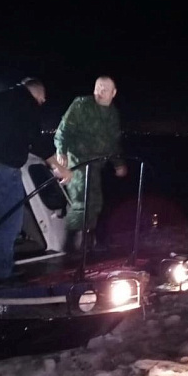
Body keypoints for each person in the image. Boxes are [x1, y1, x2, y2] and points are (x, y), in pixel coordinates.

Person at [0, 77, 73, 287]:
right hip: (3, 171)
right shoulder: (26, 103)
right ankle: (1, 276)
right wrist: (59, 167)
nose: (42, 103)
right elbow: (36, 140)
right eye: (42, 100)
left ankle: (3, 267)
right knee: (10, 224)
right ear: (37, 94)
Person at [54, 76, 127, 251]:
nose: (100, 92)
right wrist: (61, 151)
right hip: (77, 160)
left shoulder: (113, 114)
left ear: (113, 93)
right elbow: (63, 130)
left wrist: (118, 163)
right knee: (81, 199)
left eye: (105, 89)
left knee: (96, 202)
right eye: (98, 88)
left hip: (96, 164)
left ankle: (88, 243)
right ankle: (70, 246)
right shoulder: (81, 105)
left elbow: (113, 143)